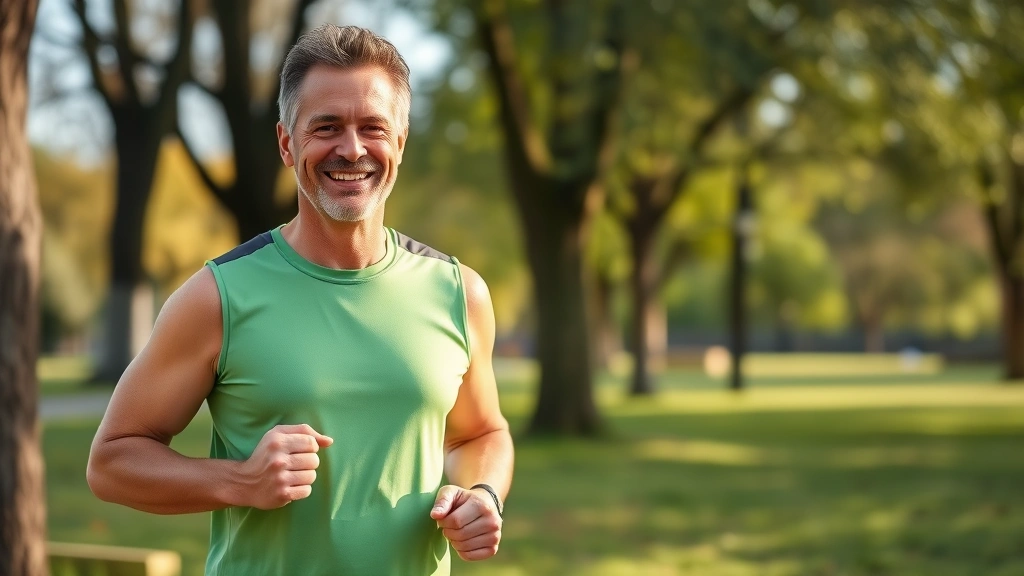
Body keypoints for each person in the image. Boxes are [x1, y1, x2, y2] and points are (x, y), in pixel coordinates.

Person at [87, 24, 513, 575]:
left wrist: (482, 493)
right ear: (288, 144)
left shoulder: (459, 293)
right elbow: (112, 462)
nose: (352, 148)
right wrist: (239, 481)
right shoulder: (218, 296)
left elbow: (481, 431)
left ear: (400, 143)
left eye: (373, 127)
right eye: (327, 127)